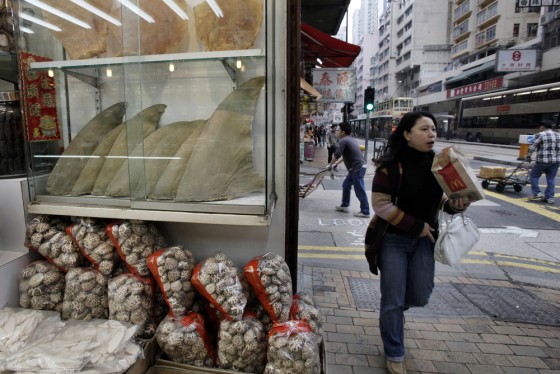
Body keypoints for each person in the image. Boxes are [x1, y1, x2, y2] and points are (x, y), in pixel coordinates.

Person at [370, 111, 470, 374]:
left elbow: (440, 203)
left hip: (426, 240)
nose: (432, 134)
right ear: (406, 134)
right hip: (393, 240)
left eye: (434, 129)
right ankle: (394, 351)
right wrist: (416, 226)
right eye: (424, 129)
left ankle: (393, 315)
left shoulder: (440, 165)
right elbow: (380, 205)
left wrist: (456, 205)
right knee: (392, 299)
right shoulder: (390, 165)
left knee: (420, 295)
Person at [326, 122, 370, 218]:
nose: (337, 132)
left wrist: (330, 164)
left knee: (359, 190)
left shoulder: (343, 140)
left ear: (343, 132)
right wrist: (337, 163)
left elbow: (337, 155)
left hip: (357, 168)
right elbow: (347, 154)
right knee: (346, 185)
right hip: (356, 167)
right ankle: (344, 206)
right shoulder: (350, 139)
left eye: (339, 130)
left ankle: (365, 211)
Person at [525, 119, 560, 204]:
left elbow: (532, 147)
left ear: (543, 127)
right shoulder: (558, 135)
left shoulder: (541, 134)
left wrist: (528, 156)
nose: (539, 128)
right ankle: (550, 198)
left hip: (543, 160)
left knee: (533, 175)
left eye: (540, 126)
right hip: (556, 161)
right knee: (551, 178)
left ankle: (537, 193)